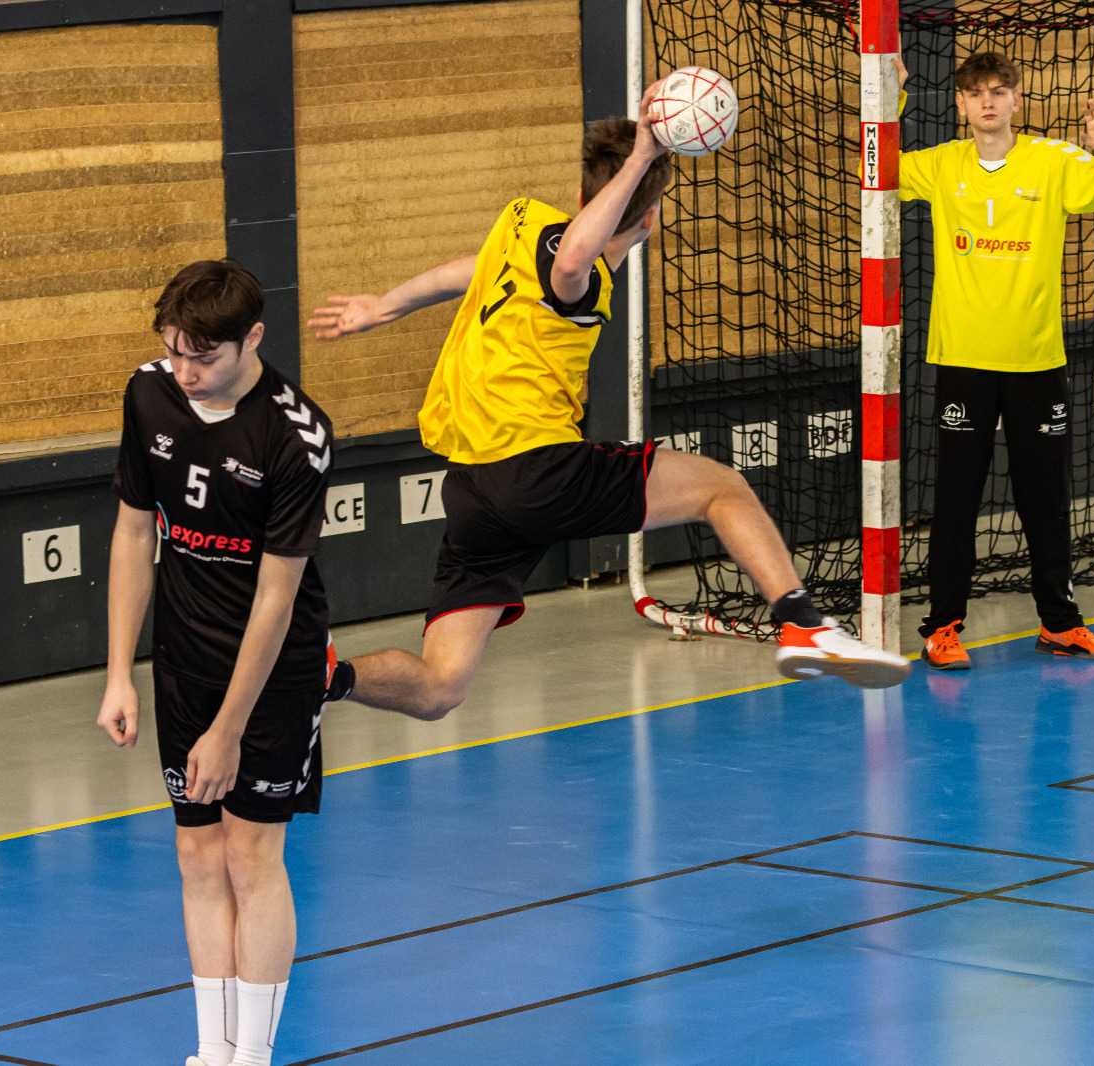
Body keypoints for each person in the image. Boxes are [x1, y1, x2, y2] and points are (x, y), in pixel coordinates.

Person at [307, 81, 911, 720]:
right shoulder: (584, 280)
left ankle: (319, 677)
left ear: (578, 198)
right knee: (722, 488)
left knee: (440, 687)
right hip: (537, 470)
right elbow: (571, 263)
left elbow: (469, 268)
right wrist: (643, 155)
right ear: (649, 220)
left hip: (473, 489)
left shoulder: (522, 224)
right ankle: (803, 624)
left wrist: (385, 306)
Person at [96, 259, 335, 1066]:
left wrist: (229, 730)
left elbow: (275, 597)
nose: (184, 371)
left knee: (249, 855)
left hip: (271, 673)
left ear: (253, 338)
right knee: (197, 854)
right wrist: (120, 674)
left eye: (203, 357)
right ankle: (212, 1052)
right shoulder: (149, 392)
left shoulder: (295, 435)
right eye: (174, 350)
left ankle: (253, 1058)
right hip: (183, 662)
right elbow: (135, 532)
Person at [894, 51, 1094, 670]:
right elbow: (873, 169)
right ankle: (943, 628)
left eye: (998, 91)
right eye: (975, 93)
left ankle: (1060, 625)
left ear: (1016, 100)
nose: (987, 101)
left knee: (1045, 499)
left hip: (1037, 360)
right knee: (957, 500)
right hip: (964, 358)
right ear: (960, 104)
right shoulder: (941, 164)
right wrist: (895, 96)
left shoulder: (1054, 161)